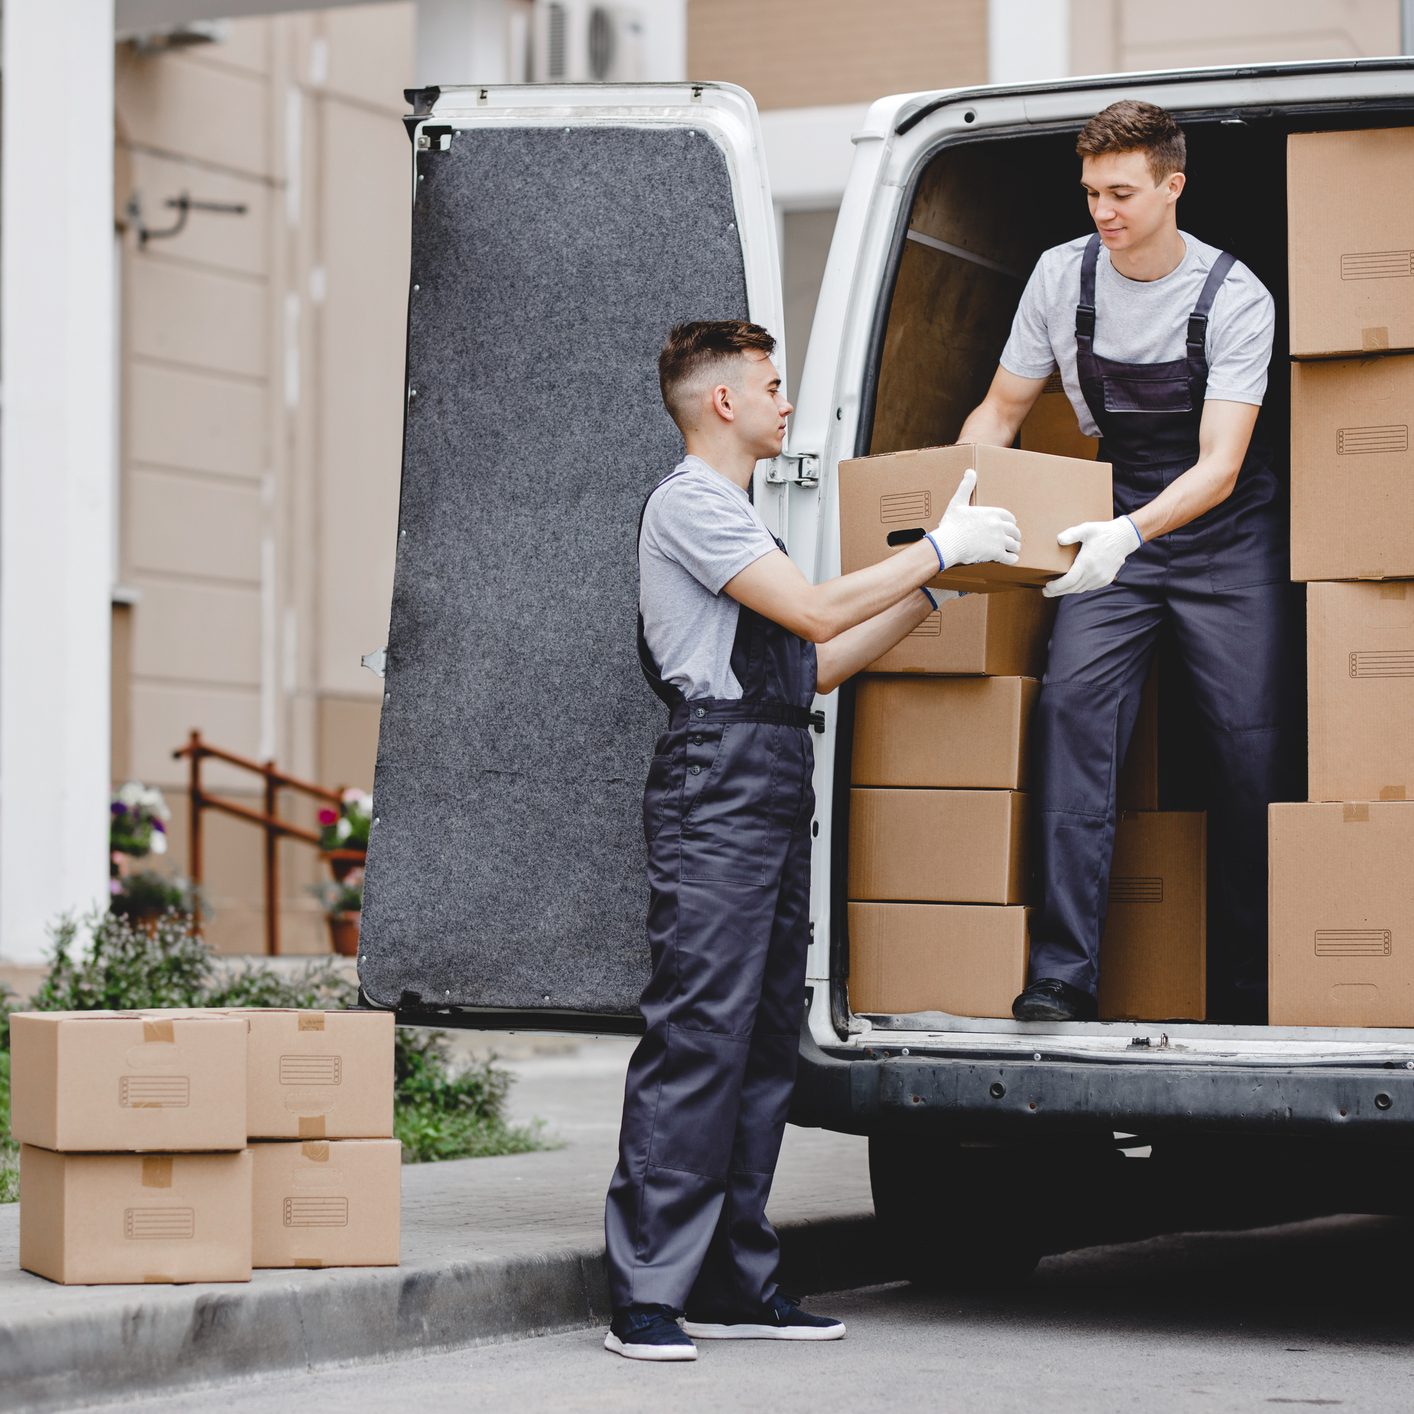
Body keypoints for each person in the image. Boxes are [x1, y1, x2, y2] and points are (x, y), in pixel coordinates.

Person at [603, 319, 1020, 1361]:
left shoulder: (743, 515)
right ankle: (646, 1292)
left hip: (772, 767)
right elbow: (811, 609)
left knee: (756, 1048)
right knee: (699, 1034)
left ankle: (733, 1280)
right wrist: (932, 547)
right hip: (716, 780)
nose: (787, 402)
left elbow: (816, 662)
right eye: (772, 386)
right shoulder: (690, 504)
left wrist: (935, 588)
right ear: (722, 404)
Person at [957, 100, 1296, 1025]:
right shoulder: (1060, 278)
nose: (1102, 210)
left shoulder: (1235, 296)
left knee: (1248, 746)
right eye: (1090, 192)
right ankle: (1064, 976)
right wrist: (965, 483)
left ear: (1172, 186)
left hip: (1224, 531)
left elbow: (1220, 465)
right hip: (1115, 518)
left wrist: (1129, 535)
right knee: (1072, 716)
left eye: (1121, 192)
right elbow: (1002, 407)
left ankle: (1250, 985)